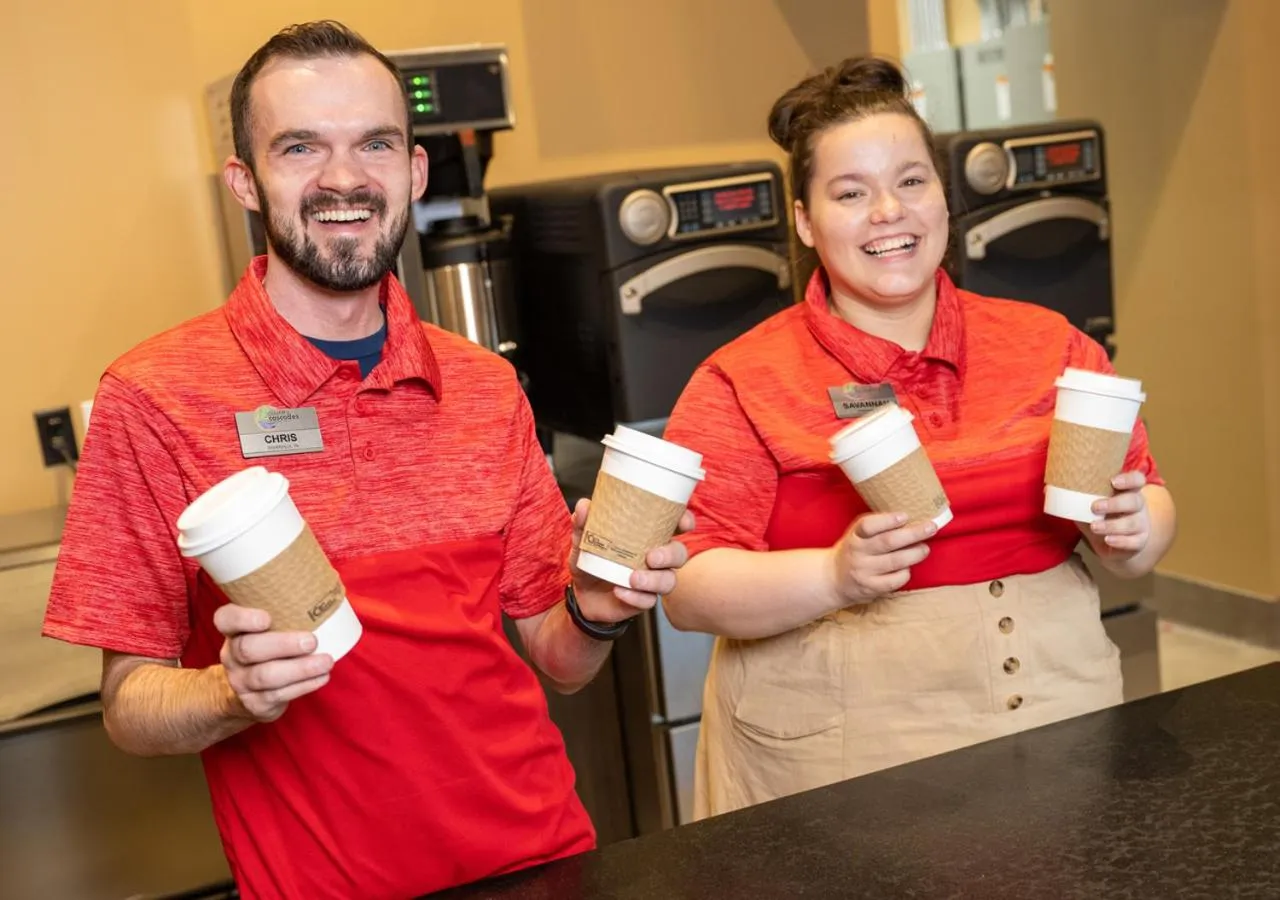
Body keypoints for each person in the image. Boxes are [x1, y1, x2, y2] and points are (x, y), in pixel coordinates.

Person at [42, 21, 692, 900]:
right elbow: (129, 710)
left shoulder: (484, 386)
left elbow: (560, 656)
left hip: (544, 859)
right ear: (245, 181)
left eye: (375, 144)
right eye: (301, 146)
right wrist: (233, 693)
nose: (343, 178)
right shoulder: (156, 397)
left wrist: (603, 607)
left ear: (414, 173)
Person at [661, 56, 1176, 819]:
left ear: (943, 197)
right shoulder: (741, 380)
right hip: (838, 770)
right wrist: (835, 576)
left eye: (911, 181)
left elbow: (1150, 501)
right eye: (850, 192)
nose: (888, 213)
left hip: (1061, 725)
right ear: (803, 219)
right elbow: (689, 589)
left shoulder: (1049, 345)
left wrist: (1136, 531)